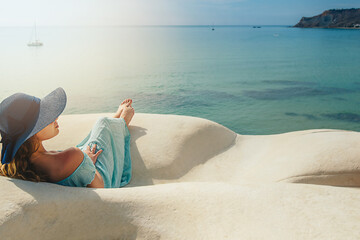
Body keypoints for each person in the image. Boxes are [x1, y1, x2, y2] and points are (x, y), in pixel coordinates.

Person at [0, 87, 135, 188]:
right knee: (102, 123)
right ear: (33, 131)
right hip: (101, 176)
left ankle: (116, 121)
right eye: (45, 117)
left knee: (98, 132)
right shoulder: (72, 156)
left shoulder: (17, 164)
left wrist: (83, 160)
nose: (56, 117)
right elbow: (100, 185)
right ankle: (123, 120)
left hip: (75, 164)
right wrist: (86, 162)